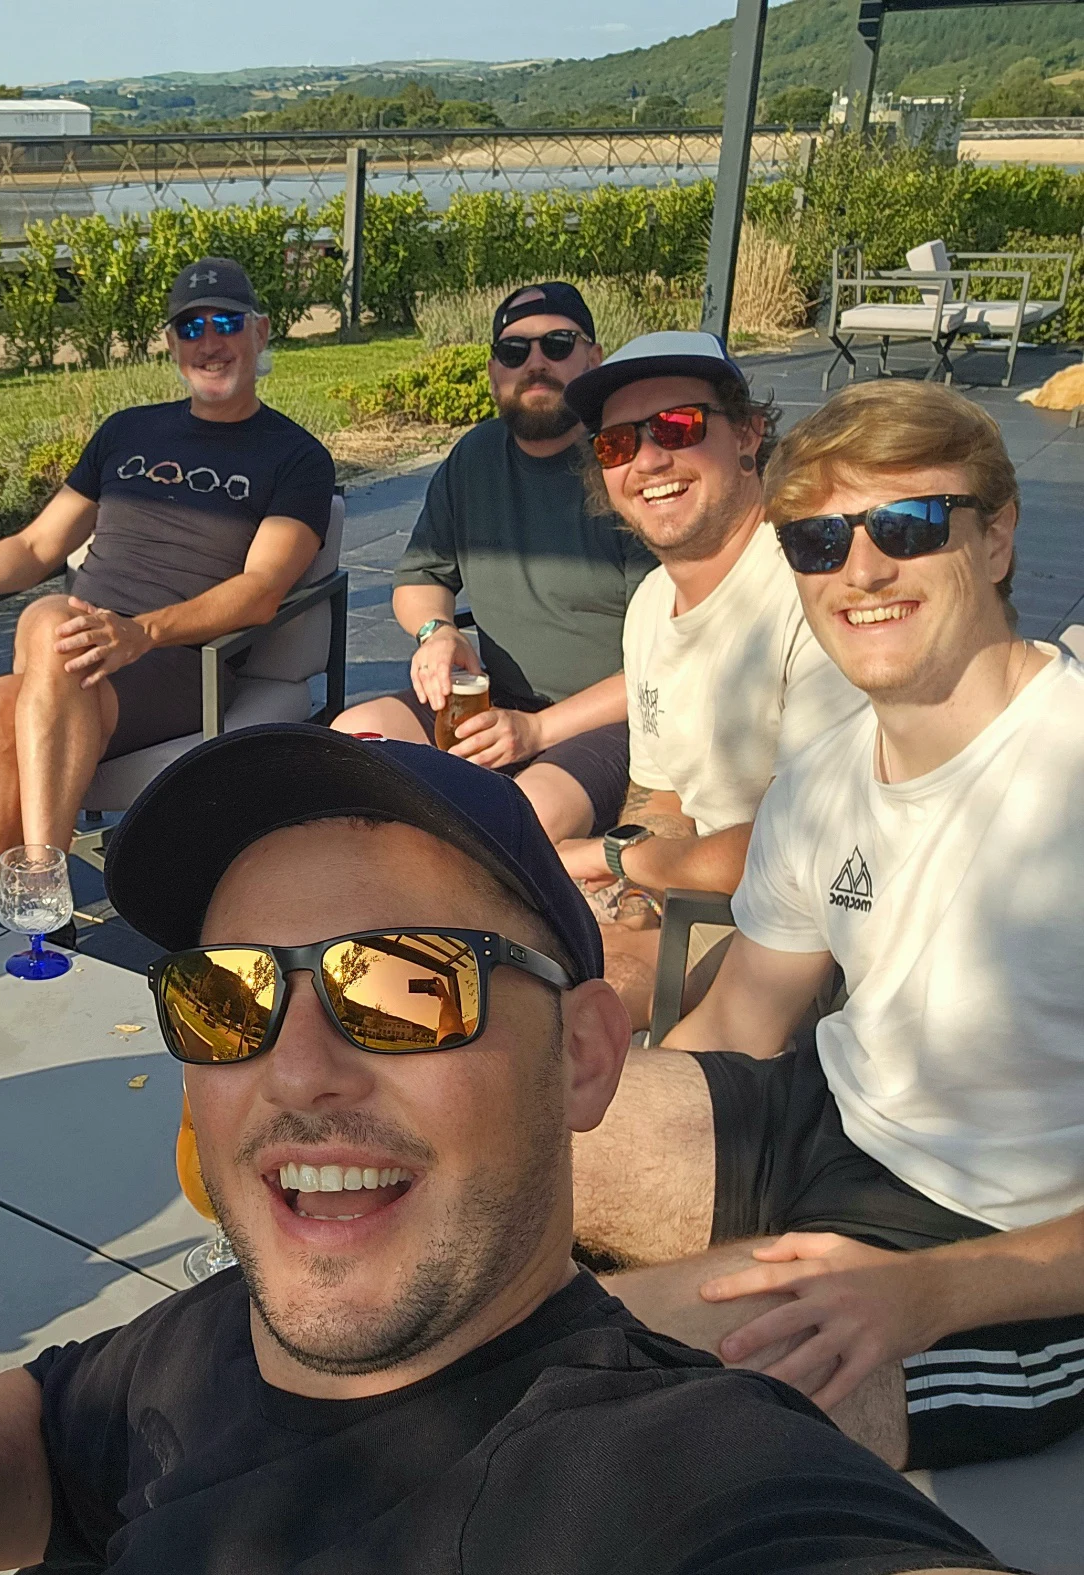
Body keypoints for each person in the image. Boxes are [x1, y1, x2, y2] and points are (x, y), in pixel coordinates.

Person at [0, 724, 1009, 1575]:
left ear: (587, 1054)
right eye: (228, 996)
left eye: (405, 982)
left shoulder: (675, 1477)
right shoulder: (211, 1340)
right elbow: (59, 1412)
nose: (295, 1065)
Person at [575, 381, 1084, 1475]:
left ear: (996, 538)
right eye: (816, 540)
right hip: (822, 1124)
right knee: (473, 1131)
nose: (859, 572)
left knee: (589, 1393)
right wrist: (624, 1119)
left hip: (1001, 1255)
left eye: (905, 527)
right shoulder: (826, 772)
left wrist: (925, 1292)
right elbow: (749, 1012)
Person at [0, 257, 334, 923]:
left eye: (225, 322)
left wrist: (142, 632)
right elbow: (36, 547)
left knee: (48, 624)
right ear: (170, 343)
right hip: (78, 658)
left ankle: (41, 880)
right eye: (190, 327)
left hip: (181, 664)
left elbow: (260, 590)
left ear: (260, 331)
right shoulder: (128, 431)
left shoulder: (294, 456)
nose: (209, 342)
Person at [555, 331, 866, 1025]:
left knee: (551, 1014)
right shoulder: (648, 608)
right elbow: (664, 791)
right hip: (688, 890)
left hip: (792, 924)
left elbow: (799, 846)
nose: (648, 459)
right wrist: (634, 895)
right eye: (617, 444)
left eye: (678, 425)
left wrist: (611, 857)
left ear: (750, 433)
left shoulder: (815, 587)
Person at [333, 283, 654, 844]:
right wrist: (435, 633)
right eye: (514, 351)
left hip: (610, 720)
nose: (535, 363)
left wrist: (536, 731)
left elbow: (664, 661)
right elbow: (420, 577)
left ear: (593, 359)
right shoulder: (474, 458)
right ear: (493, 371)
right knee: (349, 746)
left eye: (557, 345)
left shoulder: (626, 466)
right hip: (493, 703)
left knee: (522, 822)